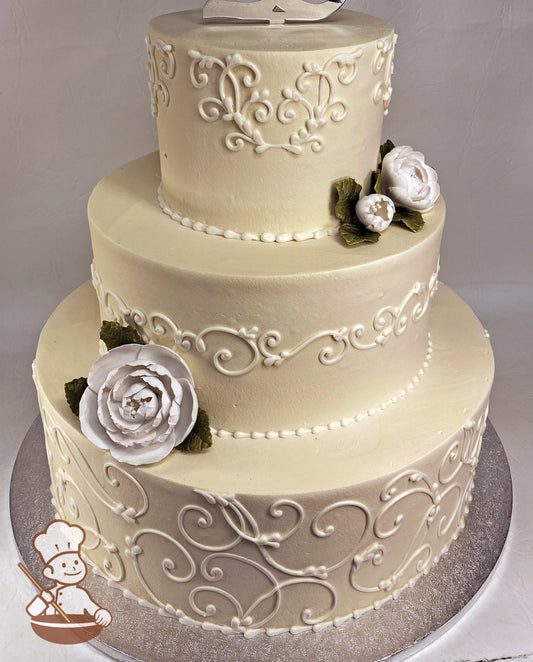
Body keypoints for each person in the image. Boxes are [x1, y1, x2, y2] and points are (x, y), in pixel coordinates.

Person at [25, 520, 112, 626]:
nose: (73, 568)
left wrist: (102, 614)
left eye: (76, 562)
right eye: (63, 565)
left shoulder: (81, 594)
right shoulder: (50, 594)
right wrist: (43, 600)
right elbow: (33, 611)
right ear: (50, 573)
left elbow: (95, 610)